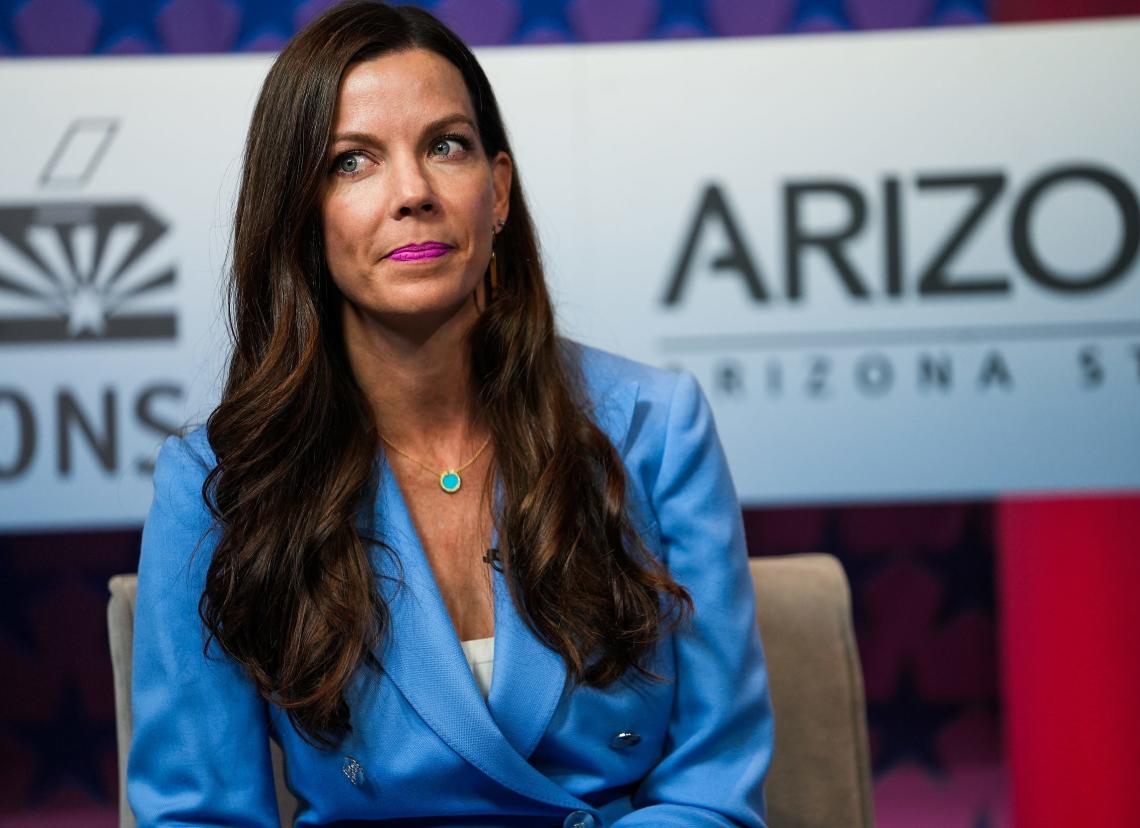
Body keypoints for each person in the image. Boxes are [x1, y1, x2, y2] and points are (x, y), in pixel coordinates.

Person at [127, 1, 773, 825]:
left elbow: (713, 789)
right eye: (353, 161)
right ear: (300, 214)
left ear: (497, 192)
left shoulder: (656, 426)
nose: (413, 193)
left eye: (446, 146)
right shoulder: (218, 480)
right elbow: (200, 815)